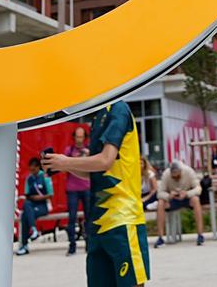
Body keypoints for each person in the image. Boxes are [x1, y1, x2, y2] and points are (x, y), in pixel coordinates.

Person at [43, 99, 149, 287]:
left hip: (122, 217)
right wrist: (60, 164)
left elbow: (105, 160)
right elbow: (97, 170)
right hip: (98, 221)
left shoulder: (118, 109)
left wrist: (66, 162)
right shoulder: (99, 115)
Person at [154, 161, 206, 247]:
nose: (176, 178)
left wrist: (187, 193)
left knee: (196, 200)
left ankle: (200, 235)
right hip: (173, 199)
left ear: (181, 171)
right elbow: (159, 193)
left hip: (187, 197)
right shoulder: (166, 174)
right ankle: (160, 237)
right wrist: (169, 196)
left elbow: (198, 189)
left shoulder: (189, 172)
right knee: (160, 203)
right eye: (173, 176)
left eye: (178, 176)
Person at [61, 124, 89, 257]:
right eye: (77, 136)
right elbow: (64, 165)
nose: (79, 139)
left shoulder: (89, 150)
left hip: (87, 187)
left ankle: (89, 244)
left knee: (89, 217)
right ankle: (72, 245)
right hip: (72, 188)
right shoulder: (69, 150)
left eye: (81, 136)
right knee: (71, 218)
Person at [16, 154, 52, 256]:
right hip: (31, 205)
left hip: (42, 206)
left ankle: (24, 245)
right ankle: (33, 230)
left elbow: (50, 195)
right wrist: (32, 198)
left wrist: (38, 198)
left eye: (33, 169)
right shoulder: (29, 178)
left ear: (37, 167)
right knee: (26, 209)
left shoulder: (45, 177)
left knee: (25, 215)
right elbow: (27, 194)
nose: (31, 171)